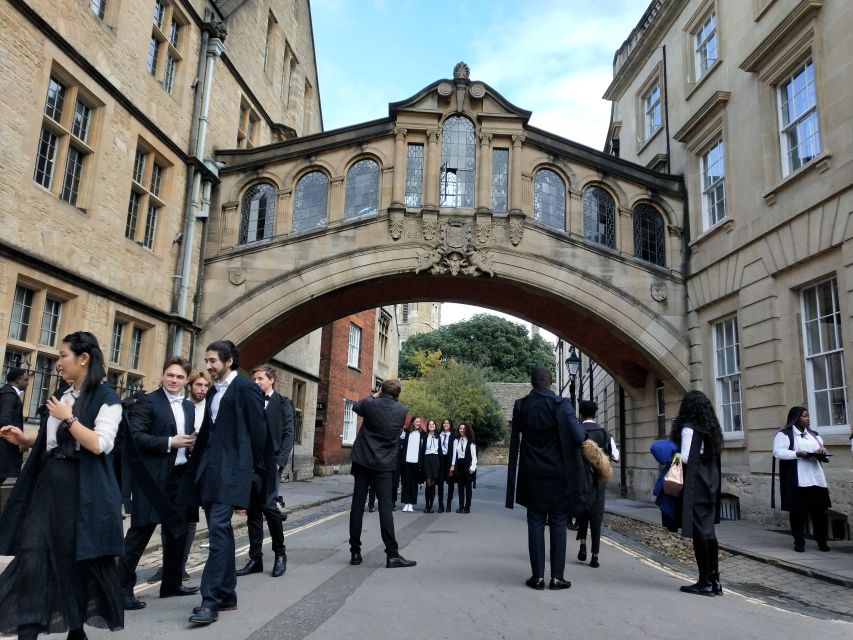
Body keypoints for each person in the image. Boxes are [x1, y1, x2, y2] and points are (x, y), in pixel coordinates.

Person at [0, 331, 124, 639]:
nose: (58, 362)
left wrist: (69, 419)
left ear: (83, 359)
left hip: (83, 490)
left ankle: (76, 629)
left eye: (63, 355)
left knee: (74, 563)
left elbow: (99, 444)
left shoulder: (108, 399)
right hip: (49, 485)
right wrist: (24, 439)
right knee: (33, 557)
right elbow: (51, 441)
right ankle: (27, 630)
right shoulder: (62, 395)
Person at [181, 341, 269, 625]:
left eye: (212, 361)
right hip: (210, 471)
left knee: (218, 530)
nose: (207, 366)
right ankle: (227, 594)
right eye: (206, 361)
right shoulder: (215, 390)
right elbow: (211, 430)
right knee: (222, 531)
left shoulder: (246, 388)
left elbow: (259, 432)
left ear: (228, 361)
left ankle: (211, 600)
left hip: (232, 472)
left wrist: (253, 471)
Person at [118, 357, 199, 610]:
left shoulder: (188, 406)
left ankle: (172, 584)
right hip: (151, 479)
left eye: (179, 377)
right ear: (163, 376)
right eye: (170, 375)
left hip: (179, 478)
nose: (173, 380)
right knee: (139, 534)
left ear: (187, 380)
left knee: (178, 532)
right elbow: (137, 437)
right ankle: (120, 591)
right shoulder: (147, 401)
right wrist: (169, 442)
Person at [506, 365, 587, 591]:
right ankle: (557, 577)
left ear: (532, 382)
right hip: (559, 474)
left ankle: (538, 577)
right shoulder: (562, 405)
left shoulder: (521, 405)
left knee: (535, 522)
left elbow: (517, 435)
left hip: (532, 472)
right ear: (551, 382)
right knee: (559, 522)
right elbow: (579, 435)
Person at [348, 379, 416, 569]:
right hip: (385, 464)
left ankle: (355, 552)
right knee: (385, 508)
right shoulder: (402, 411)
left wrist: (374, 395)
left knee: (357, 506)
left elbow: (356, 407)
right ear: (398, 395)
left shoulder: (370, 403)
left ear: (381, 390)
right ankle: (392, 554)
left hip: (362, 461)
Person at [236, 366, 292, 578]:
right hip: (251, 463)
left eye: (260, 378)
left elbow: (288, 433)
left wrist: (280, 461)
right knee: (252, 511)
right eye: (254, 378)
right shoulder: (250, 402)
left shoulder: (283, 402)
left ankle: (280, 553)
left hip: (272, 463)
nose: (256, 381)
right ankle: (255, 558)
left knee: (270, 508)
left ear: (271, 380)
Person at [672, 390, 723, 597]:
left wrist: (671, 454)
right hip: (711, 483)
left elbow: (685, 458)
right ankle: (715, 581)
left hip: (697, 485)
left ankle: (704, 582)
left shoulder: (689, 429)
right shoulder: (711, 429)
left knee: (701, 534)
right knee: (709, 533)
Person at [773, 406, 831, 553]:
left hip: (816, 479)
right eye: (804, 416)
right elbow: (778, 452)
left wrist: (822, 452)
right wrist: (797, 453)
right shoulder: (784, 434)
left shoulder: (814, 435)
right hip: (798, 480)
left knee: (819, 513)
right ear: (795, 418)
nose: (807, 418)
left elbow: (823, 452)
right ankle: (799, 542)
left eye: (808, 416)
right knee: (798, 513)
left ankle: (822, 542)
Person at [575, 400, 616, 569]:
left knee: (582, 512)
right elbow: (616, 455)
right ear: (595, 414)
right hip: (599, 481)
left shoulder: (577, 431)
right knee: (596, 516)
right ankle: (595, 556)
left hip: (581, 479)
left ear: (581, 414)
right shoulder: (605, 434)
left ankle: (583, 545)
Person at [0, 367, 29, 485]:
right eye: (26, 380)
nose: (28, 382)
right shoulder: (9, 395)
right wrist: (20, 440)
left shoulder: (8, 393)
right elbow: (5, 419)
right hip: (4, 447)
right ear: (18, 380)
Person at [450, 422, 477, 513]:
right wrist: (453, 465)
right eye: (460, 428)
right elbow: (454, 454)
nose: (461, 430)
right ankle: (461, 506)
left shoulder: (471, 441)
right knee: (460, 487)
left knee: (468, 487)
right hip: (459, 465)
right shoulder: (457, 440)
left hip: (468, 465)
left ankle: (467, 507)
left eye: (463, 429)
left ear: (467, 430)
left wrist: (473, 467)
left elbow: (474, 456)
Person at [399, 416, 424, 512]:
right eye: (417, 421)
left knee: (413, 483)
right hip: (406, 461)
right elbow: (401, 444)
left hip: (416, 462)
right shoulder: (406, 432)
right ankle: (406, 503)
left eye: (419, 422)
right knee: (405, 482)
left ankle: (411, 503)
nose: (418, 423)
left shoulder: (422, 434)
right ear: (412, 422)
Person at [437, 418, 456, 513]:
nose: (446, 424)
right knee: (440, 483)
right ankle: (441, 505)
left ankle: (449, 504)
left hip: (449, 460)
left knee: (450, 484)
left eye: (448, 423)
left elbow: (455, 451)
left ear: (450, 425)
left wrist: (453, 464)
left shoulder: (454, 436)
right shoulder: (438, 435)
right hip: (440, 460)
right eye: (444, 423)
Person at [422, 420, 440, 513]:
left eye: (433, 424)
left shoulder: (439, 437)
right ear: (428, 426)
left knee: (433, 484)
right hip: (427, 459)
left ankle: (431, 506)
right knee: (428, 483)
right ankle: (426, 506)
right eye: (430, 424)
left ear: (435, 426)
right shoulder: (425, 436)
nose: (431, 425)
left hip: (436, 459)